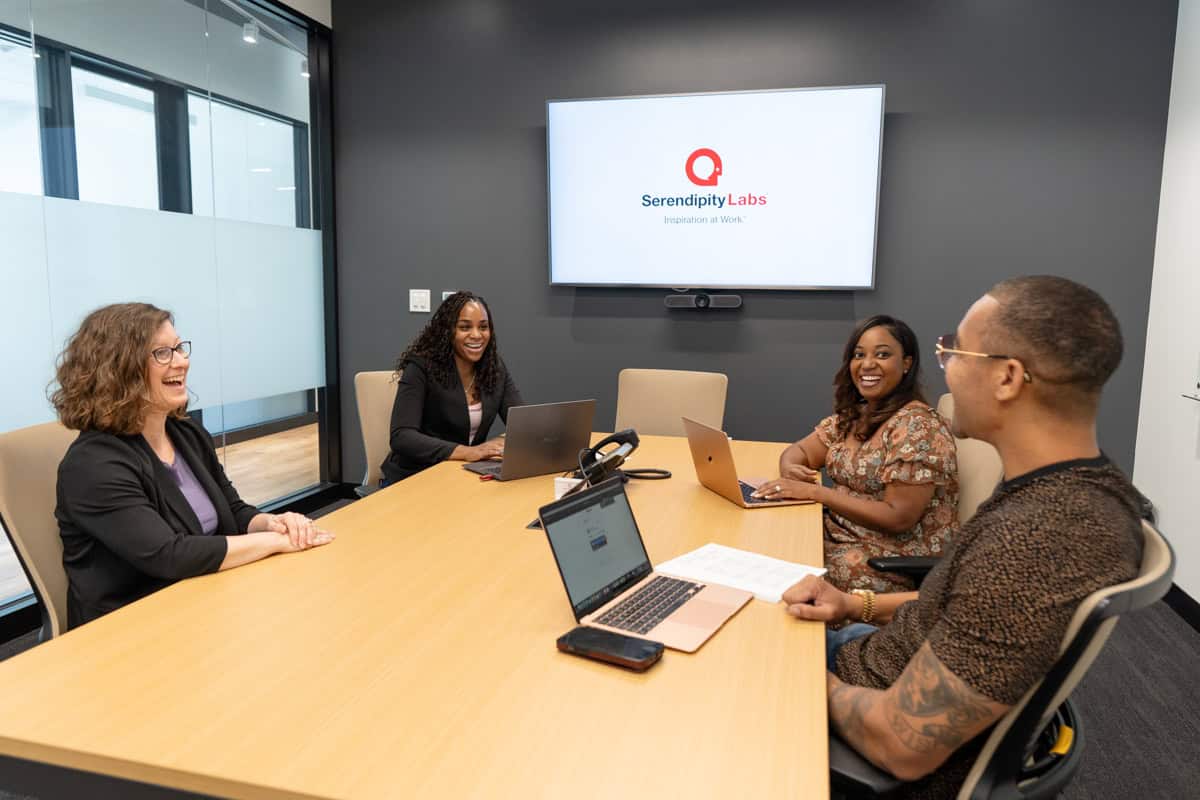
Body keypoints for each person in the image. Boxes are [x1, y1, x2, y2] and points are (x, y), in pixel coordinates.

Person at [782, 276, 1144, 797]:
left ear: (1007, 378)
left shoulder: (1041, 537)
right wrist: (852, 603)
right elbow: (961, 602)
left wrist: (793, 674)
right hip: (879, 651)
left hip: (866, 711)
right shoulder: (1063, 488)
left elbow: (899, 743)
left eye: (954, 350)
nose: (946, 368)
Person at [53, 303, 334, 629]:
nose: (181, 361)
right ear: (118, 369)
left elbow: (234, 511)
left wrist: (272, 524)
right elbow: (168, 555)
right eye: (162, 353)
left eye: (179, 348)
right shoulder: (93, 464)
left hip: (204, 601)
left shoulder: (185, 433)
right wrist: (277, 543)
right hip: (134, 627)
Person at [753, 315, 959, 593]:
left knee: (782, 575)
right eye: (858, 355)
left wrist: (816, 493)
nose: (867, 364)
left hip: (887, 556)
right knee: (768, 548)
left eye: (883, 354)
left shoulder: (918, 426)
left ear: (906, 363)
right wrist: (791, 467)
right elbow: (800, 450)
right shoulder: (855, 415)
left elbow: (899, 517)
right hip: (839, 534)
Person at [380, 291, 523, 486]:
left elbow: (521, 422)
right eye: (465, 327)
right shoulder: (421, 367)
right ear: (448, 331)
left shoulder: (494, 369)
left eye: (483, 327)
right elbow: (402, 437)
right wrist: (469, 452)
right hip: (415, 476)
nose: (476, 335)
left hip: (462, 476)